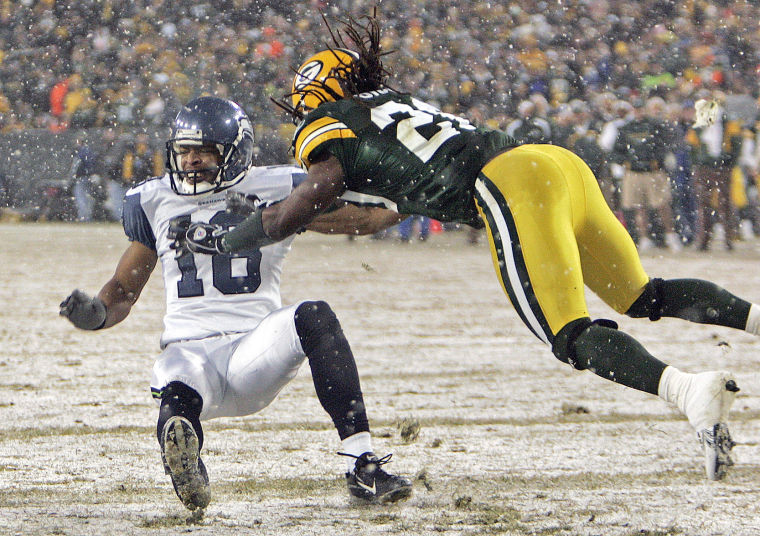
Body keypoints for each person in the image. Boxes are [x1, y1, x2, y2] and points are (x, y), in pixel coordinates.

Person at [178, 13, 760, 482]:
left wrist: (234, 236)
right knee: (640, 294)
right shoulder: (394, 105)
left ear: (323, 92)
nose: (304, 110)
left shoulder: (331, 122)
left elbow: (302, 205)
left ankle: (690, 392)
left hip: (508, 187)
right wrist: (302, 219)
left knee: (570, 335)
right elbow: (375, 215)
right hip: (556, 164)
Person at [59, 96, 412, 511]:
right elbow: (123, 290)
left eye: (204, 150)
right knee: (176, 385)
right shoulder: (153, 199)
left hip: (256, 347)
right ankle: (187, 465)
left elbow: (370, 217)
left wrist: (286, 214)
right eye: (184, 150)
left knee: (314, 315)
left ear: (237, 150)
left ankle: (361, 464)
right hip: (189, 349)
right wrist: (96, 315)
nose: (191, 161)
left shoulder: (280, 186)